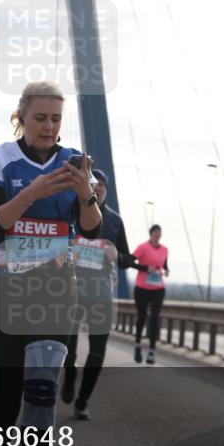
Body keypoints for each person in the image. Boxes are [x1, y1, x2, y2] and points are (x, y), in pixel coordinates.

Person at [0, 80, 101, 446]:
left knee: (42, 388)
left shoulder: (76, 162)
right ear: (22, 118)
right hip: (4, 284)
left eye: (56, 119)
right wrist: (34, 191)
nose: (49, 127)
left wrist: (85, 192)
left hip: (55, 287)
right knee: (9, 388)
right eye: (40, 118)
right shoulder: (1, 159)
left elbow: (91, 227)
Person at [62, 169, 133, 420]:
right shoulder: (72, 211)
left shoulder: (115, 221)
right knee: (67, 347)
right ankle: (69, 373)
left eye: (102, 184)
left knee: (98, 350)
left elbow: (127, 259)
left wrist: (118, 255)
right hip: (73, 290)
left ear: (106, 190)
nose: (98, 187)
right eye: (94, 183)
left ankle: (82, 401)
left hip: (101, 293)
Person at [130, 225, 169, 365]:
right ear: (151, 234)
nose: (158, 234)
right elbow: (130, 262)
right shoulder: (143, 247)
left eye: (160, 232)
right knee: (142, 317)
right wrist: (145, 268)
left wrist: (166, 270)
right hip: (142, 288)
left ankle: (152, 351)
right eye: (156, 232)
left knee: (154, 318)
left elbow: (164, 265)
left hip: (158, 288)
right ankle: (138, 345)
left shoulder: (165, 249)